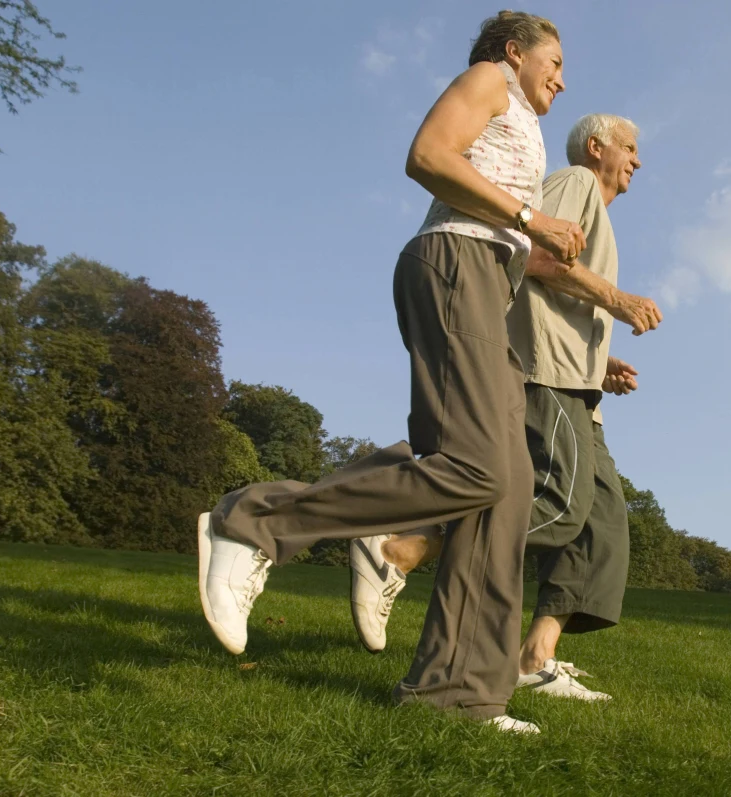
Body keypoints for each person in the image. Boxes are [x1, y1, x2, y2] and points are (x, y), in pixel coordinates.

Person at [196, 10, 585, 735]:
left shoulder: (523, 125)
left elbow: (512, 232)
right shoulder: (488, 80)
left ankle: (459, 692)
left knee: (507, 488)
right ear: (514, 52)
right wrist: (533, 218)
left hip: (487, 279)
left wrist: (581, 279)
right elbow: (429, 155)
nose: (561, 78)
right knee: (473, 466)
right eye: (554, 61)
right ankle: (252, 524)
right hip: (451, 269)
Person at [349, 113, 662, 703]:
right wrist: (616, 298)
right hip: (546, 375)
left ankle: (533, 656)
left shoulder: (595, 207)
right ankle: (406, 541)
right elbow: (531, 257)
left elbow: (565, 287)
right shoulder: (575, 181)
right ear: (597, 148)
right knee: (562, 506)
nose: (637, 161)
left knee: (604, 525)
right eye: (630, 147)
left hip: (580, 382)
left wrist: (605, 363)